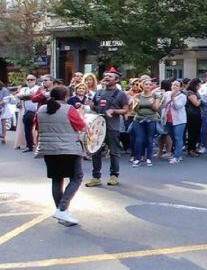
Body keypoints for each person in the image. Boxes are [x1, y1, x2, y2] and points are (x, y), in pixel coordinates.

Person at [37, 86, 86, 226]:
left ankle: (61, 212)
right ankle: (62, 209)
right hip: (68, 148)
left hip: (49, 149)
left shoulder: (41, 109)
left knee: (56, 179)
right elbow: (82, 126)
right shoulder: (69, 109)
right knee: (76, 177)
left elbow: (37, 127)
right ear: (66, 97)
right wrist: (80, 113)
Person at [86, 70, 129, 187]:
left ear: (116, 80)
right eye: (105, 76)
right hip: (98, 127)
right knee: (95, 151)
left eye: (110, 76)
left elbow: (126, 109)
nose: (106, 78)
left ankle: (114, 175)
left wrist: (114, 111)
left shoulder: (120, 94)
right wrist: (90, 105)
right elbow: (94, 107)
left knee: (114, 152)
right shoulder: (98, 92)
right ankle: (96, 177)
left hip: (112, 126)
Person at [130, 78, 161, 167]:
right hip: (139, 119)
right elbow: (134, 110)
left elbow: (156, 109)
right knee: (139, 139)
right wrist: (137, 104)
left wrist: (152, 104)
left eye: (150, 84)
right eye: (146, 84)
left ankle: (149, 158)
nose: (148, 86)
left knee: (149, 139)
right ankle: (137, 159)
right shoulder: (137, 96)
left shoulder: (155, 96)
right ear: (142, 86)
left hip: (151, 119)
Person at [161, 80, 187, 164]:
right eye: (173, 85)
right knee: (172, 137)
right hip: (168, 119)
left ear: (180, 87)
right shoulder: (167, 93)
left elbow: (177, 106)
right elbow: (162, 106)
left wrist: (172, 98)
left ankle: (177, 156)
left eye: (177, 85)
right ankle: (176, 153)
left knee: (177, 137)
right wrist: (164, 98)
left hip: (179, 120)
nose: (174, 86)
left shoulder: (182, 96)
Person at [16, 74, 41, 153]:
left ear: (35, 80)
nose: (29, 81)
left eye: (32, 79)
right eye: (28, 79)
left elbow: (33, 96)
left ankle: (38, 145)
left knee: (39, 129)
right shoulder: (24, 89)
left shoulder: (38, 88)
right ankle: (29, 145)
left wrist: (26, 97)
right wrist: (26, 96)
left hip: (37, 111)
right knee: (27, 129)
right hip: (26, 111)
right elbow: (19, 96)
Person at [183, 79, 203, 157]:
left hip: (196, 114)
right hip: (192, 114)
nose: (200, 86)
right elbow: (196, 103)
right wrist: (201, 100)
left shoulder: (195, 92)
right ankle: (191, 149)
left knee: (196, 132)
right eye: (199, 85)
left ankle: (193, 148)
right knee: (192, 132)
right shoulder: (190, 93)